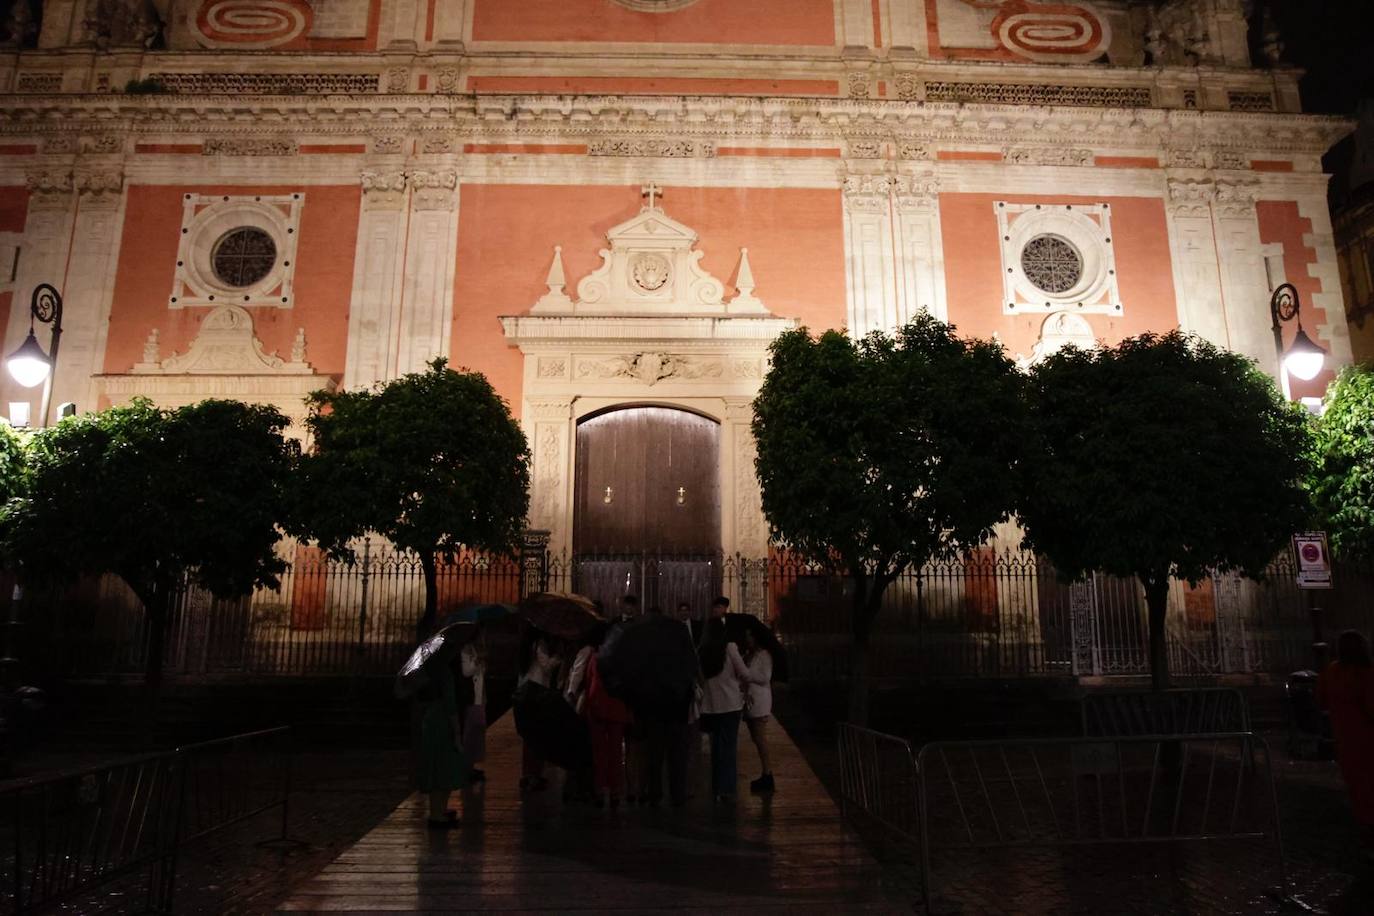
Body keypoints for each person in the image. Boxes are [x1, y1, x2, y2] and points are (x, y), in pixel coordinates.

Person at [1317, 630, 1374, 860]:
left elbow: (1321, 700)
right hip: (1368, 739)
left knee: (1360, 793)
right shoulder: (1366, 674)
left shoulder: (1331, 672)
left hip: (1346, 742)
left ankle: (1368, 840)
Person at [697, 616, 751, 803]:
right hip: (730, 705)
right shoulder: (730, 648)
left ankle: (716, 787)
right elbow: (744, 672)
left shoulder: (702, 651)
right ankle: (727, 788)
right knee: (728, 749)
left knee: (716, 749)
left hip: (711, 707)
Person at [414, 648, 469, 828]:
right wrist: (457, 732)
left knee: (436, 766)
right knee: (442, 768)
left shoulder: (430, 670)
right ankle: (437, 814)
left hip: (431, 719)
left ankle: (438, 810)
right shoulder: (445, 673)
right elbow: (451, 704)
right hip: (442, 722)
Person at [583, 628, 633, 808]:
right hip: (617, 709)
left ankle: (599, 789)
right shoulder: (625, 661)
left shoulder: (596, 657)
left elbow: (588, 681)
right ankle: (615, 791)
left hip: (597, 707)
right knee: (616, 752)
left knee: (599, 751)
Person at [741, 627, 775, 794]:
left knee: (760, 738)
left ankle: (768, 773)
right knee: (756, 737)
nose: (747, 640)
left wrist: (747, 674)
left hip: (760, 699)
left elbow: (765, 677)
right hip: (750, 700)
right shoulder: (749, 655)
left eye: (750, 636)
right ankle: (765, 772)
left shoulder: (764, 655)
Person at [459, 633, 487, 784]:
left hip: (479, 697)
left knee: (477, 734)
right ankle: (466, 768)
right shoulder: (465, 650)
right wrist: (477, 660)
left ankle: (471, 766)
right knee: (470, 734)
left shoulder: (475, 649)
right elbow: (466, 671)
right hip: (471, 698)